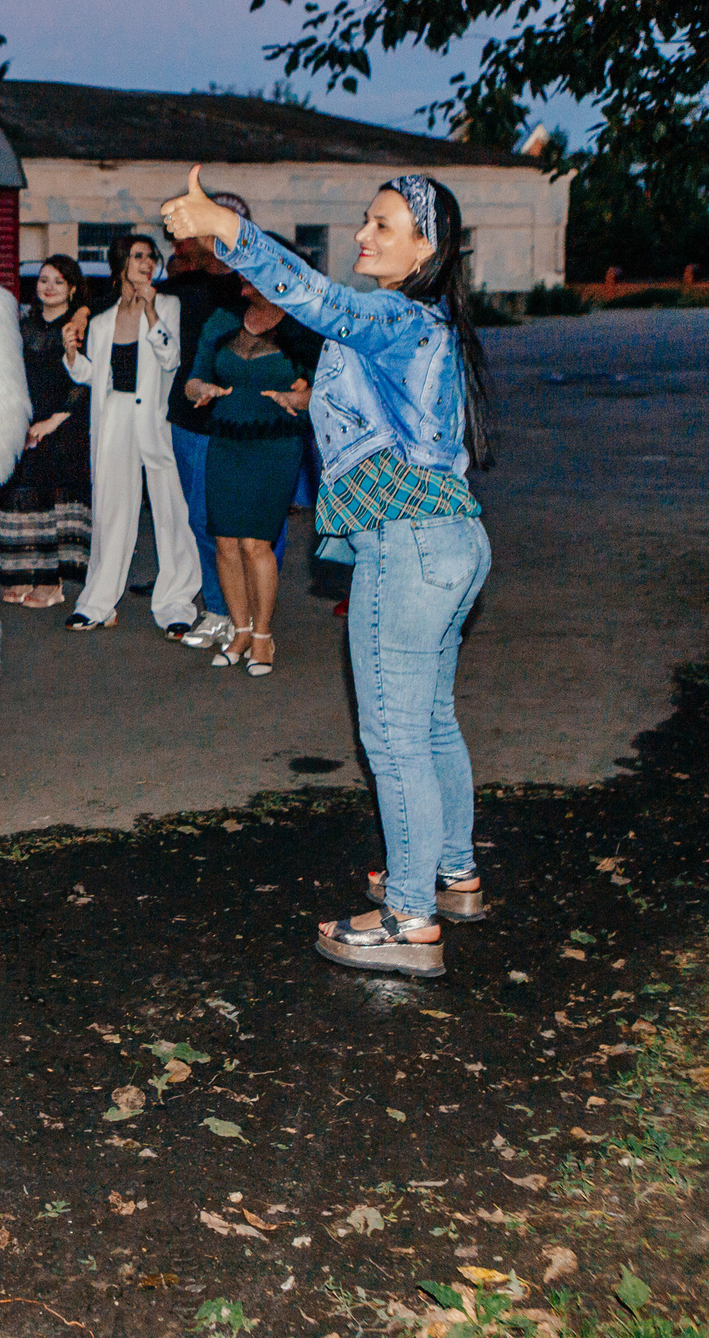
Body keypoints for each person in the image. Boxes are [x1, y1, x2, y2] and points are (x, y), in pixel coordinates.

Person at [162, 167, 493, 979]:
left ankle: (410, 917)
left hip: (407, 544)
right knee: (431, 719)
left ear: (427, 246)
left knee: (393, 733)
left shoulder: (389, 313)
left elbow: (319, 298)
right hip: (451, 540)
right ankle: (451, 873)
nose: (362, 237)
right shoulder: (428, 323)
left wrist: (227, 229)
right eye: (364, 222)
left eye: (382, 225)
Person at [178, 275, 320, 673]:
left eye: (251, 276)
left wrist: (296, 398)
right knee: (225, 541)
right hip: (225, 440)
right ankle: (239, 631)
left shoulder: (300, 326)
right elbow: (192, 380)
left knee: (256, 543)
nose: (243, 284)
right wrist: (201, 390)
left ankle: (262, 638)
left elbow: (324, 389)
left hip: (275, 444)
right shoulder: (222, 321)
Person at [64, 234, 200, 633]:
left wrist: (153, 311)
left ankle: (176, 604)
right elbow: (96, 377)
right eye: (138, 256)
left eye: (150, 256)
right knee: (111, 509)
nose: (146, 262)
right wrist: (74, 357)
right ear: (121, 263)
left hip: (154, 419)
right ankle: (98, 602)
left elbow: (170, 357)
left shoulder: (168, 305)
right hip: (115, 417)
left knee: (170, 509)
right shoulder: (103, 320)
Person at [161, 193, 255, 650]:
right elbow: (123, 298)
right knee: (202, 522)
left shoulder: (257, 287)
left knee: (238, 524)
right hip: (186, 422)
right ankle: (223, 609)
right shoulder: (185, 284)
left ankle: (241, 611)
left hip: (238, 425)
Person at [0, 254, 91, 608]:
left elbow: (83, 384)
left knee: (54, 504)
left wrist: (53, 422)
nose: (49, 287)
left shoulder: (78, 329)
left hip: (63, 425)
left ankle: (51, 583)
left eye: (58, 281)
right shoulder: (23, 326)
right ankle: (22, 574)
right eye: (44, 280)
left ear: (72, 289)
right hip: (24, 424)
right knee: (23, 501)